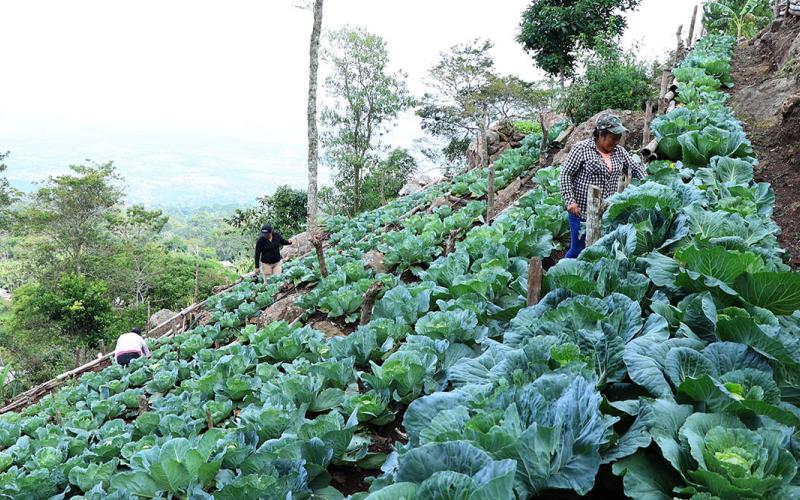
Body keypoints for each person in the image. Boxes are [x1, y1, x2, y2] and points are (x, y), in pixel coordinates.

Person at [559, 113, 647, 258]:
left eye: (618, 138)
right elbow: (566, 174)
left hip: (607, 213)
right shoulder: (581, 149)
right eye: (613, 138)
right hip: (581, 212)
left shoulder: (619, 152)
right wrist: (570, 201)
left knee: (600, 249)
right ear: (600, 135)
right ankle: (558, 276)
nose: (616, 142)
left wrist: (647, 182)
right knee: (578, 249)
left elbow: (634, 168)